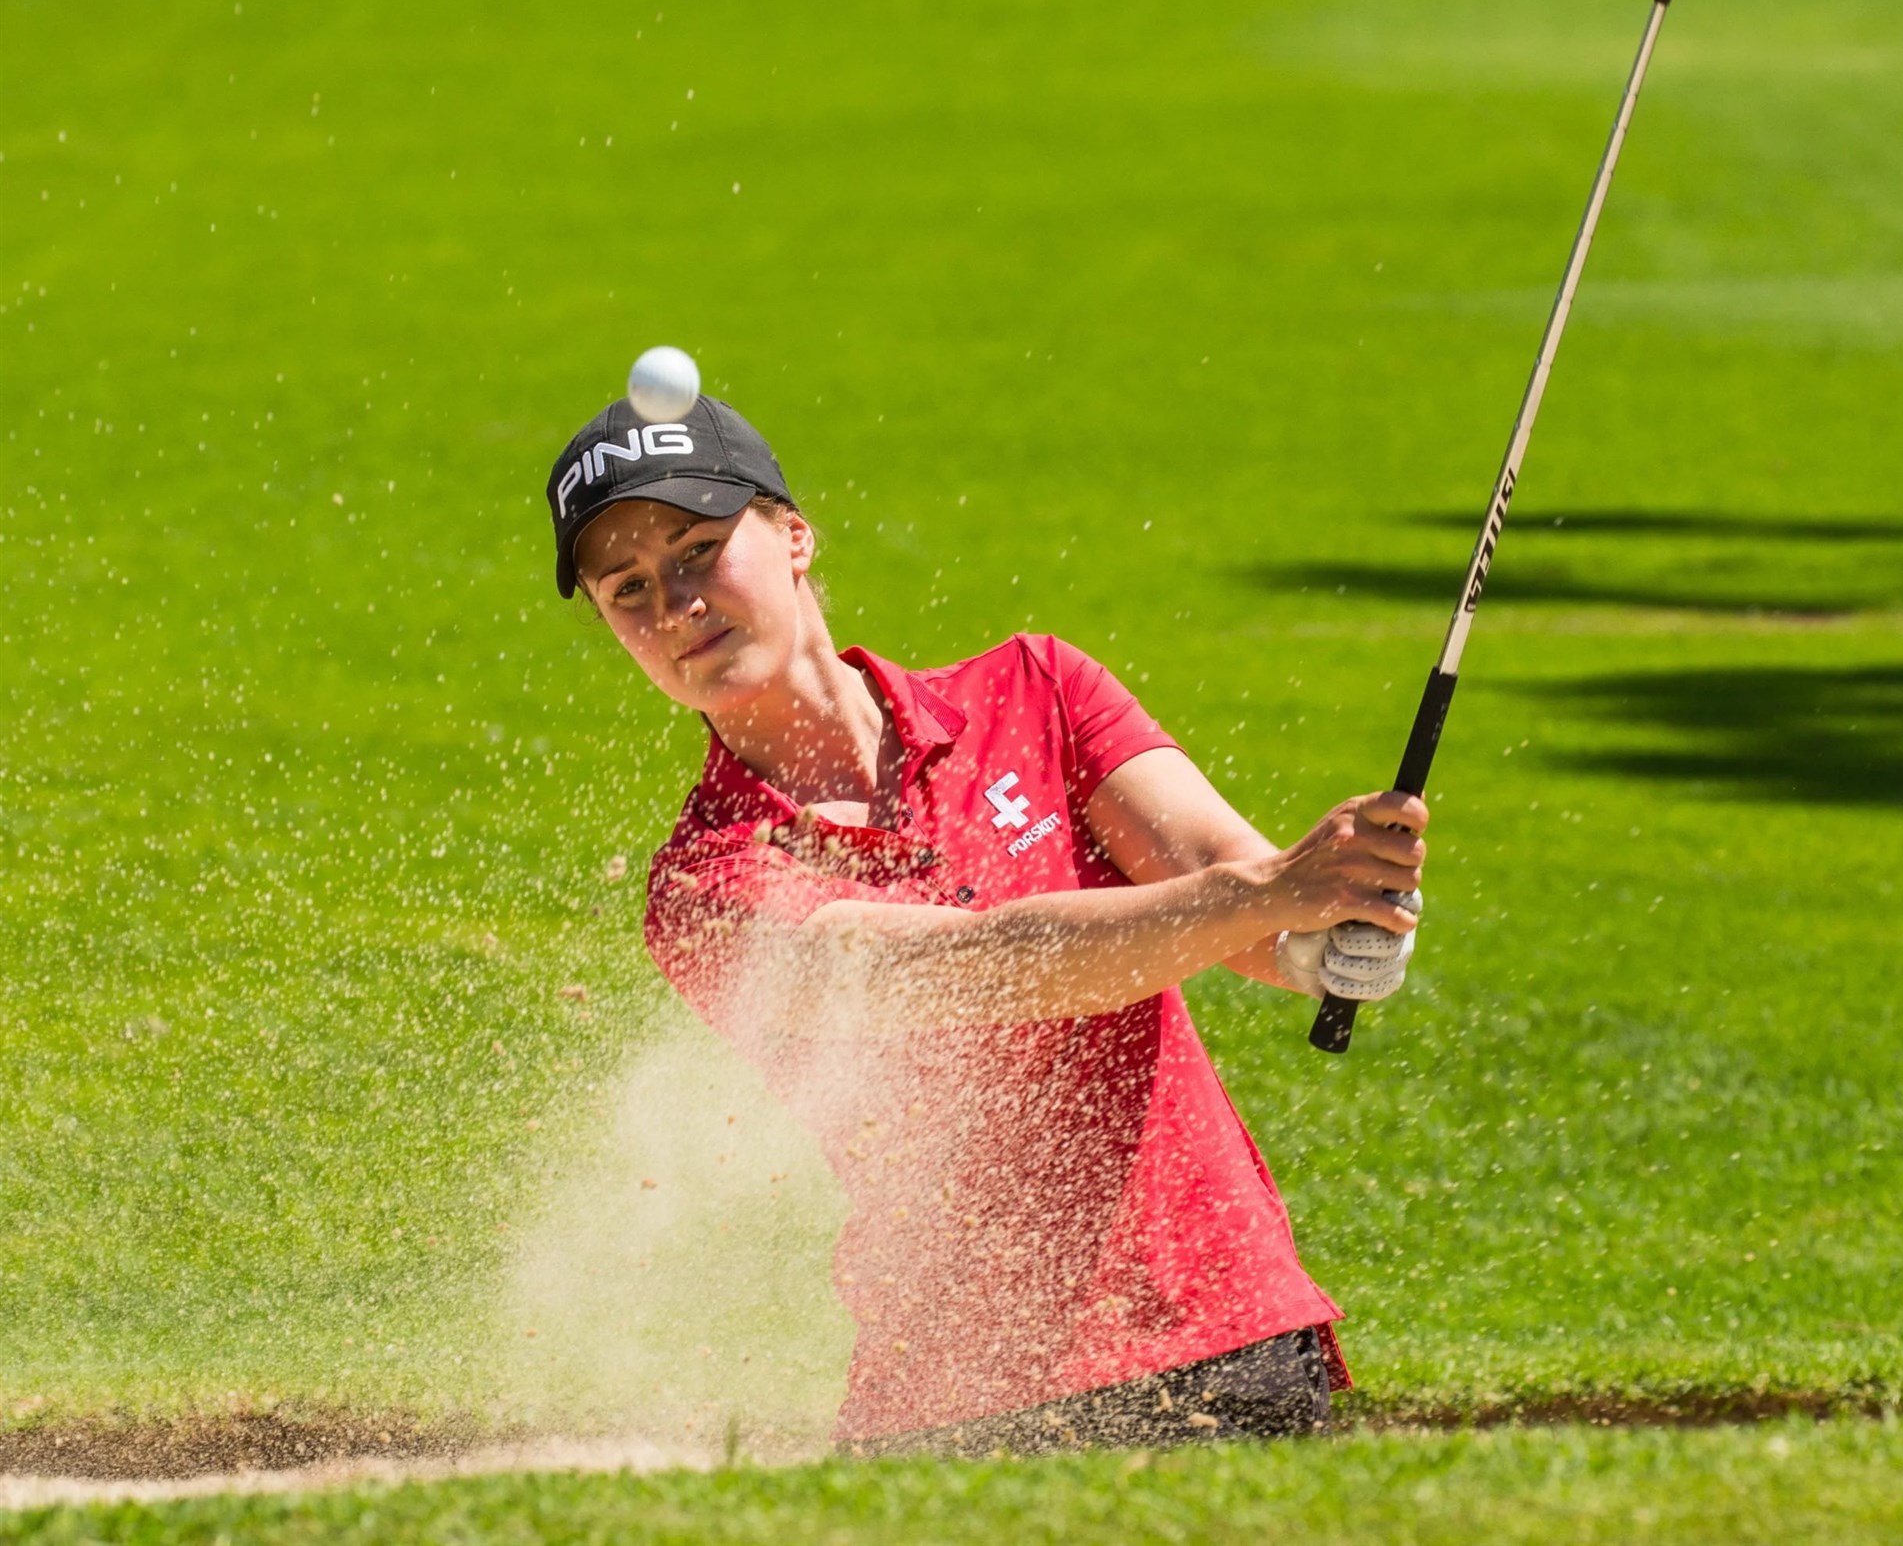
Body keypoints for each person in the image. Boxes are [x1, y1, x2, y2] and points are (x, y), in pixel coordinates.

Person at [545, 394, 1427, 1456]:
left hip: (1218, 1334)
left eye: (697, 548)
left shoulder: (1038, 688)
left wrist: (1342, 927)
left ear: (791, 535)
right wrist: (1274, 893)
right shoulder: (706, 880)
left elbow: (1234, 893)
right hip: (960, 1404)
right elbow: (961, 969)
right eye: (628, 588)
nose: (678, 602)